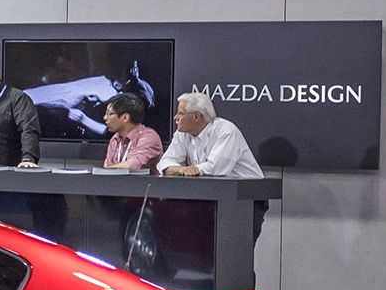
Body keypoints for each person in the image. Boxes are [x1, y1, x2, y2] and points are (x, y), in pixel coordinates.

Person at [160, 91, 269, 238]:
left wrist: (191, 170)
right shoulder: (182, 133)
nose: (176, 118)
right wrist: (182, 169)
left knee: (235, 250)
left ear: (196, 116)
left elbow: (215, 169)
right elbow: (164, 163)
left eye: (180, 113)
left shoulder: (225, 131)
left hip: (245, 198)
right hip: (211, 197)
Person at [101, 93, 164, 170]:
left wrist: (105, 170)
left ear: (125, 117)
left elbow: (134, 165)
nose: (105, 118)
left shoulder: (149, 137)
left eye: (109, 114)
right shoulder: (115, 139)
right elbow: (107, 167)